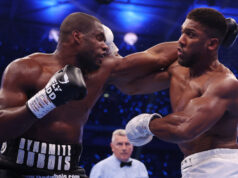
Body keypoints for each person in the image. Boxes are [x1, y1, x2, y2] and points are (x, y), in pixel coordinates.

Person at [0, 12, 179, 177]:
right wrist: (46, 99)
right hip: (17, 167)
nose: (105, 46)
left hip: (67, 169)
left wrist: (196, 43)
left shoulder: (103, 70)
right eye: (99, 39)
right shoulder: (25, 68)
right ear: (77, 37)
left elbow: (157, 57)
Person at [125, 8, 238, 178]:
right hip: (196, 166)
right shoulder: (177, 69)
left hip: (221, 167)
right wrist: (109, 59)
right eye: (182, 32)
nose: (181, 40)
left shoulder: (225, 83)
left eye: (191, 34)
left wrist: (146, 124)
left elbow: (183, 129)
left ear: (212, 44)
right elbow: (130, 84)